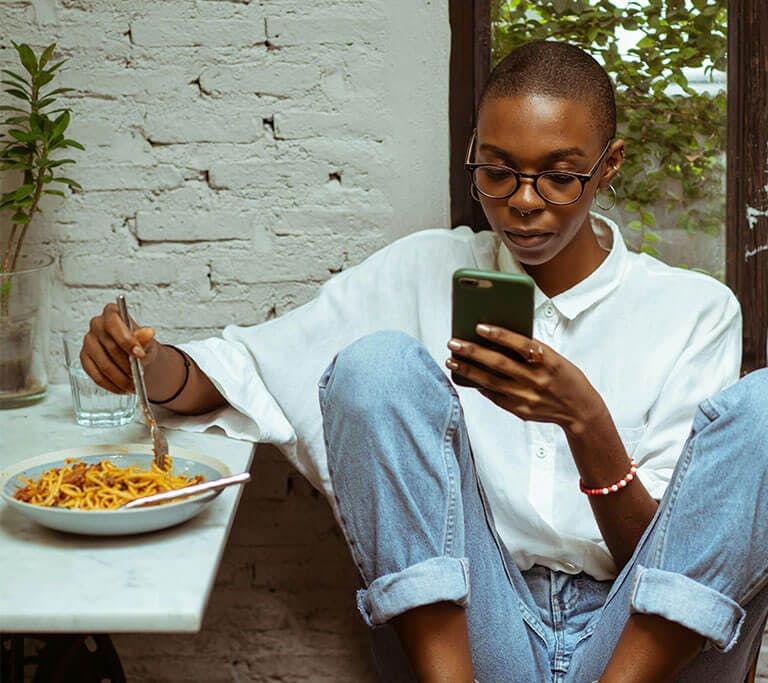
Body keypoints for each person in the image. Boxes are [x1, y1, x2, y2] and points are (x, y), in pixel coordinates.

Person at [79, 41, 768, 682]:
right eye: (497, 170)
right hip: (475, 634)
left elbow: (677, 561)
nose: (523, 201)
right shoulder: (421, 272)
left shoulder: (693, 311)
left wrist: (585, 423)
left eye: (559, 176)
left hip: (637, 643)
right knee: (374, 366)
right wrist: (147, 360)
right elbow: (249, 367)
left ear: (608, 165)